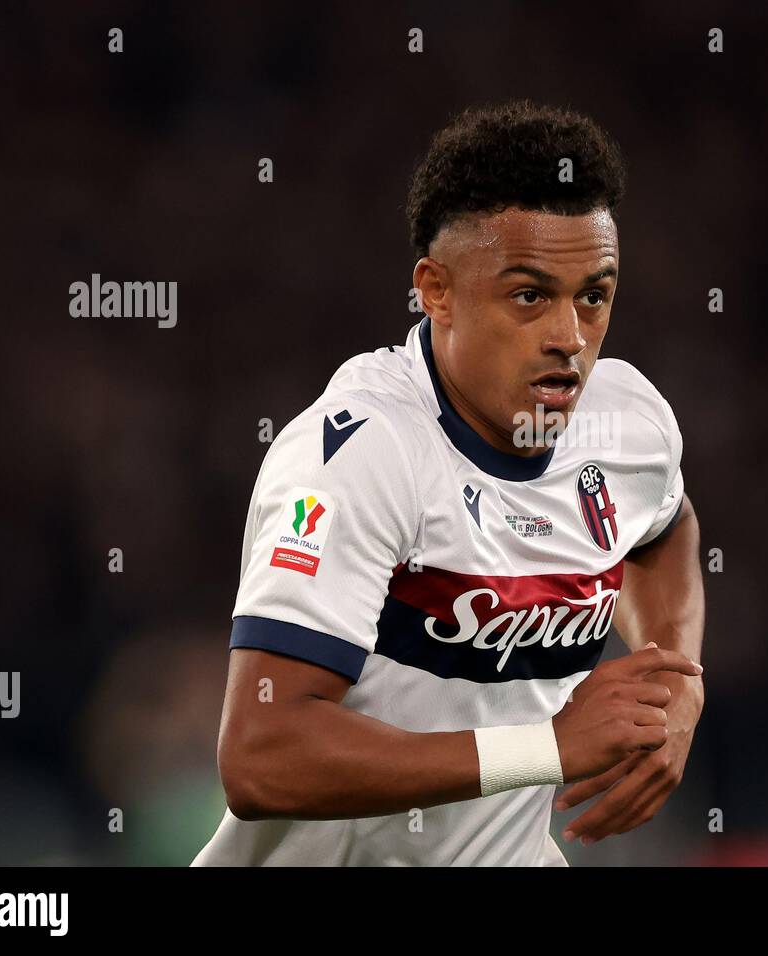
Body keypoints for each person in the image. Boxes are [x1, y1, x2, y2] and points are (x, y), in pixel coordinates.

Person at [193, 99, 705, 866]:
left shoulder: (627, 424)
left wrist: (675, 686)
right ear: (436, 290)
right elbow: (263, 756)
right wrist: (545, 749)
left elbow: (666, 529)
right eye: (530, 295)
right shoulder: (360, 458)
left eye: (593, 296)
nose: (569, 337)